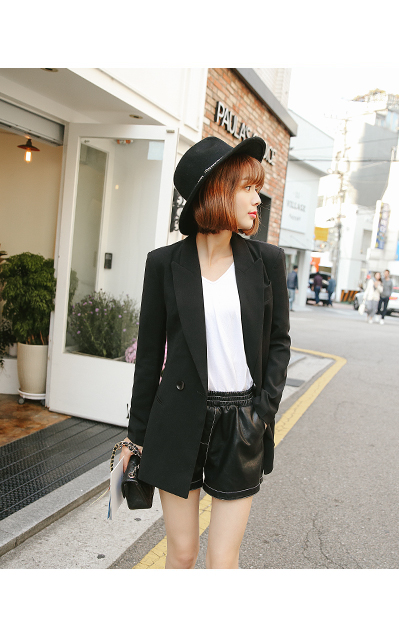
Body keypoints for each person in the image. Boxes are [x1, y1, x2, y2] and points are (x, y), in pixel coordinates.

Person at [119, 136, 290, 569]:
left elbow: (279, 343)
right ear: (216, 191)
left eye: (257, 188)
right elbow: (149, 357)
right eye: (247, 188)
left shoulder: (267, 261)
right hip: (178, 419)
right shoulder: (164, 264)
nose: (257, 199)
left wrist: (263, 411)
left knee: (222, 558)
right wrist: (135, 437)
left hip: (241, 422)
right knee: (181, 553)